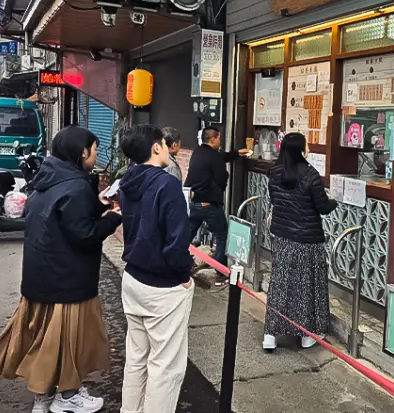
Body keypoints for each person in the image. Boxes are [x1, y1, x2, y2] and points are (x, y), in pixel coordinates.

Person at [0, 126, 122, 413]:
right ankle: (68, 395)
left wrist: (97, 204)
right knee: (67, 341)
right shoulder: (77, 185)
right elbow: (83, 234)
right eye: (93, 150)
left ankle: (43, 396)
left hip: (40, 275)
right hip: (67, 280)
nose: (95, 155)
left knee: (44, 339)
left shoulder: (47, 178)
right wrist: (112, 218)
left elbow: (64, 216)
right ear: (82, 152)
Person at [118, 125, 194, 413]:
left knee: (137, 358)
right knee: (165, 367)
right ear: (156, 148)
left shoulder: (128, 180)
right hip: (162, 286)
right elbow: (177, 240)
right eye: (163, 142)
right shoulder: (167, 184)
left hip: (133, 277)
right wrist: (184, 276)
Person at [262, 132, 337, 352]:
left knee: (280, 284)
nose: (309, 148)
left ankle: (270, 335)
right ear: (300, 150)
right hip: (307, 238)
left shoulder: (274, 173)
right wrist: (335, 200)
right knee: (307, 284)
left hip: (283, 236)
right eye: (307, 145)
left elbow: (276, 201)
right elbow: (322, 207)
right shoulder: (311, 175)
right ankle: (307, 335)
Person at [184, 126, 250, 285]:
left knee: (186, 235)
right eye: (219, 138)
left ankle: (178, 265)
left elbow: (220, 157)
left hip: (194, 204)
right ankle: (220, 273)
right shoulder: (214, 156)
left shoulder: (198, 152)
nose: (220, 141)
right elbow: (221, 177)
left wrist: (236, 153)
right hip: (209, 205)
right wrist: (220, 188)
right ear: (213, 139)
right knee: (222, 235)